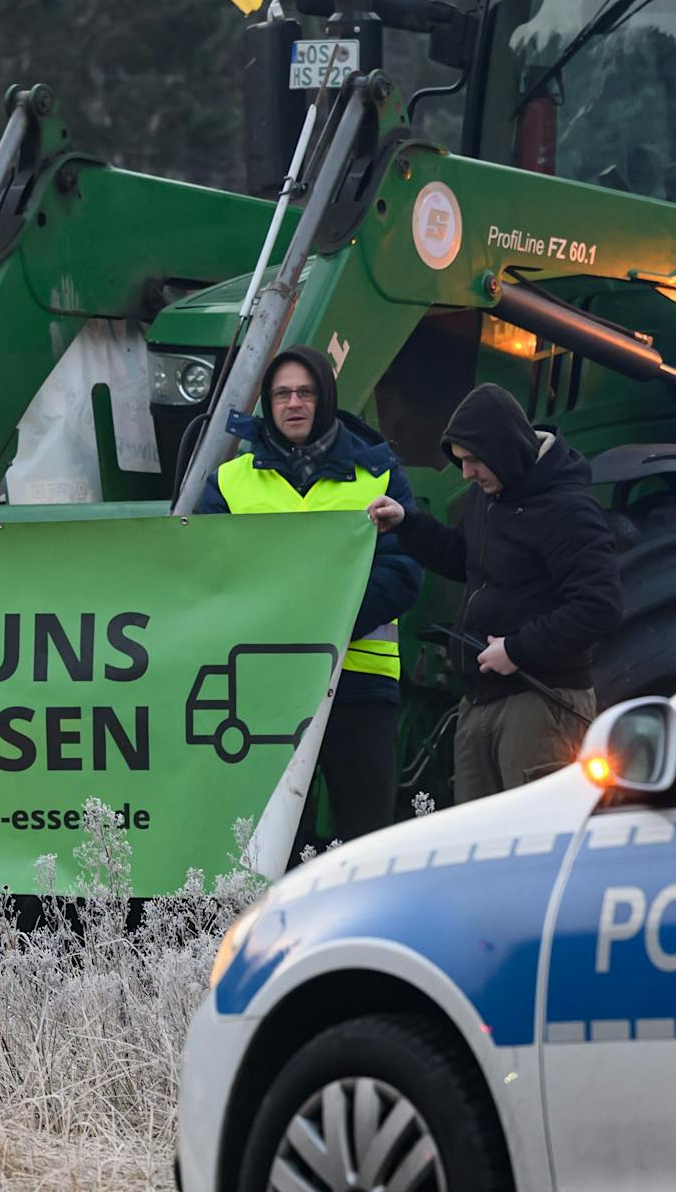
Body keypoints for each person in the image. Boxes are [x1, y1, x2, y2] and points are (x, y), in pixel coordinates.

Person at [198, 347, 422, 854]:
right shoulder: (231, 482)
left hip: (358, 684)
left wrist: (323, 622)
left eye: (305, 392)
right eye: (281, 394)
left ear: (326, 398)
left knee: (364, 847)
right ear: (267, 403)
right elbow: (209, 574)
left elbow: (404, 572)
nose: (293, 403)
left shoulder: (379, 477)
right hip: (262, 688)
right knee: (257, 850)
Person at [368, 384, 621, 803]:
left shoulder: (569, 510)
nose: (466, 473)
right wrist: (407, 525)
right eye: (460, 462)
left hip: (540, 701)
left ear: (502, 449)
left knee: (534, 843)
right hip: (479, 701)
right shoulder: (487, 498)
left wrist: (518, 650)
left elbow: (600, 606)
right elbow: (463, 559)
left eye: (472, 461)